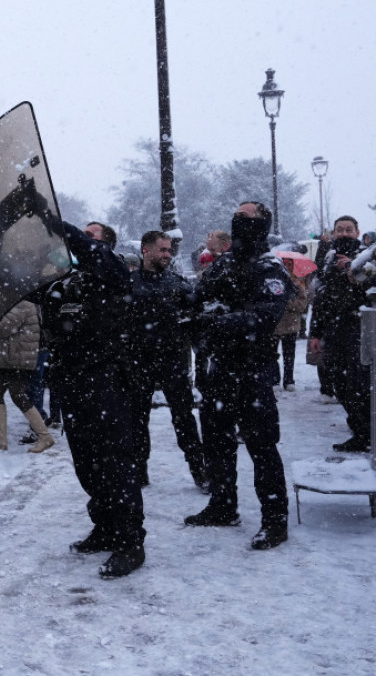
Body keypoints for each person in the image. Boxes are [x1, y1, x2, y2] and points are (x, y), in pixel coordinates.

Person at [30, 216, 146, 578]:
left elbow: (93, 252)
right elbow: (22, 286)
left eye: (91, 236)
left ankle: (130, 542)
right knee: (88, 464)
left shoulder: (112, 273)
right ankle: (105, 527)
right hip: (71, 381)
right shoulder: (63, 282)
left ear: (104, 244)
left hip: (107, 381)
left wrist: (60, 225)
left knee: (115, 464)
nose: (82, 240)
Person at [187, 201, 291, 551]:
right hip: (218, 368)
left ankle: (275, 521)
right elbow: (197, 299)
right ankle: (222, 505)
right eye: (237, 215)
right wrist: (197, 323)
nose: (239, 220)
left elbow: (265, 316)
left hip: (253, 369)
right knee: (216, 441)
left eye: (248, 217)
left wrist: (221, 321)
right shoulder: (225, 263)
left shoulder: (270, 266)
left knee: (262, 447)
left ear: (262, 224)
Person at [128, 231, 208, 491]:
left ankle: (199, 470)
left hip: (173, 361)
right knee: (136, 420)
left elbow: (197, 319)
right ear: (146, 250)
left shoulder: (178, 284)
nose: (167, 255)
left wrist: (201, 348)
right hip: (138, 362)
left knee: (184, 419)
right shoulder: (129, 283)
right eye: (162, 250)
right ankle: (138, 470)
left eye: (169, 250)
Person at [308, 215, 372, 452]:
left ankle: (365, 432)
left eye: (348, 230)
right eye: (339, 230)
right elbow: (321, 299)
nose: (344, 234)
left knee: (360, 383)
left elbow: (369, 289)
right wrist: (316, 333)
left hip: (360, 328)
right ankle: (359, 429)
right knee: (338, 381)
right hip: (334, 330)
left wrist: (350, 267)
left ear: (357, 232)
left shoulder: (366, 259)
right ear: (333, 233)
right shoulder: (327, 259)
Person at [0, 297, 55, 453]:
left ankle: (45, 436)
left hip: (15, 359)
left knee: (18, 395)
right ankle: (1, 438)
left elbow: (3, 328)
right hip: (8, 358)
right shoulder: (13, 302)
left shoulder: (23, 303)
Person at [274, 258, 308, 392]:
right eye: (284, 263)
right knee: (272, 354)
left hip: (291, 324)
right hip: (275, 323)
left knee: (289, 354)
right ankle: (274, 379)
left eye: (289, 264)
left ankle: (289, 380)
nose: (287, 266)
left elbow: (302, 304)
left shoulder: (298, 282)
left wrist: (288, 303)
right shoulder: (274, 279)